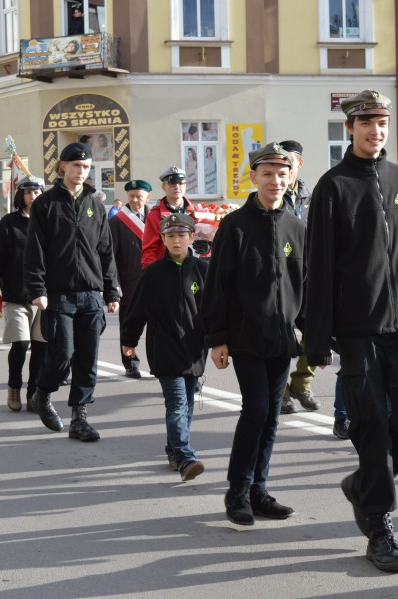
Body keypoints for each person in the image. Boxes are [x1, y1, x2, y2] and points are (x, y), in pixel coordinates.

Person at [304, 90, 398, 572]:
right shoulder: (333, 186)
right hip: (357, 330)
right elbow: (318, 267)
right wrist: (318, 336)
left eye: (382, 122)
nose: (375, 130)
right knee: (372, 427)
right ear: (349, 128)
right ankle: (378, 523)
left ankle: (363, 485)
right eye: (366, 122)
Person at [202, 142, 305, 527]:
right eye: (268, 173)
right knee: (257, 410)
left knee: (272, 417)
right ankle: (237, 491)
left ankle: (259, 491)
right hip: (245, 337)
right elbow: (218, 285)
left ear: (290, 177)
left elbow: (304, 287)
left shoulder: (297, 227)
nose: (276, 180)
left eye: (282, 173)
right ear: (254, 176)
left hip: (281, 338)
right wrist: (217, 337)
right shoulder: (235, 225)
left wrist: (317, 335)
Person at [24, 142, 120, 441]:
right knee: (62, 353)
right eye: (76, 166)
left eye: (87, 167)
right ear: (62, 166)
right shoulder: (46, 204)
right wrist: (38, 288)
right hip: (58, 293)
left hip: (91, 293)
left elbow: (105, 250)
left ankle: (80, 416)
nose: (81, 172)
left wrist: (111, 290)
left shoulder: (95, 204)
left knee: (88, 357)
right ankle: (43, 393)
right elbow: (35, 251)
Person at [122, 213, 208, 481]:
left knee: (189, 404)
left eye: (181, 235)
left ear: (191, 237)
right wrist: (129, 340)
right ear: (162, 239)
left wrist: (221, 340)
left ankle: (173, 449)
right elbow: (137, 311)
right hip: (165, 348)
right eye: (170, 236)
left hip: (195, 350)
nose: (176, 241)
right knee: (177, 403)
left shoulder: (204, 270)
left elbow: (216, 310)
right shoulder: (153, 273)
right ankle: (184, 456)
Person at [0, 175, 48, 412]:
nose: (33, 196)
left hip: (44, 297)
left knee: (41, 348)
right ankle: (13, 388)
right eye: (28, 192)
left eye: (37, 192)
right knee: (20, 345)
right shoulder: (9, 223)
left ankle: (33, 395)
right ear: (21, 195)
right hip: (16, 295)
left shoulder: (49, 221)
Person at [276, 139, 319, 415]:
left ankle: (301, 382)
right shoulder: (273, 193)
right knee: (281, 334)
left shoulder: (312, 197)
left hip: (309, 274)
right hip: (280, 277)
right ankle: (279, 391)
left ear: (299, 164)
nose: (287, 165)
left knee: (316, 332)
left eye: (291, 160)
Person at [109, 179, 152, 377]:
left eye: (140, 196)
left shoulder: (156, 218)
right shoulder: (117, 221)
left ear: (147, 197)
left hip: (154, 282)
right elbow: (111, 258)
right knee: (128, 326)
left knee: (157, 327)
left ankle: (157, 362)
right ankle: (130, 362)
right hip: (129, 284)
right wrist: (114, 286)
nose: (136, 200)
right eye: (132, 196)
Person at [141, 167, 196, 268]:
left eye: (181, 183)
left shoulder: (196, 213)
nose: (177, 187)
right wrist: (151, 275)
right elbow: (149, 251)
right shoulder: (155, 215)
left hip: (193, 271)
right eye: (172, 184)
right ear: (163, 187)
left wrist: (207, 248)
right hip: (166, 271)